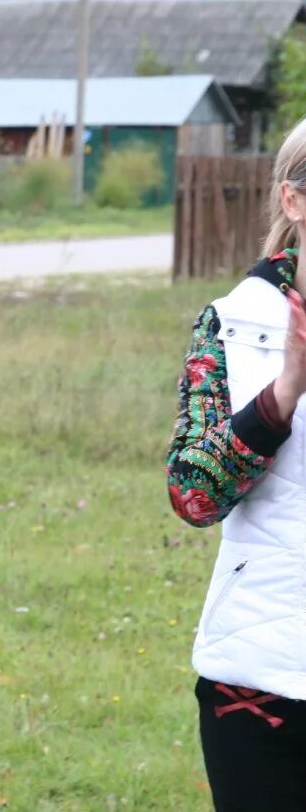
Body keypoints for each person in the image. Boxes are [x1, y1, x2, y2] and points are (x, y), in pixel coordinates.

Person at [167, 117, 306, 811]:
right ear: (293, 199)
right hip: (257, 679)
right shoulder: (232, 323)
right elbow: (193, 493)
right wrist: (280, 394)